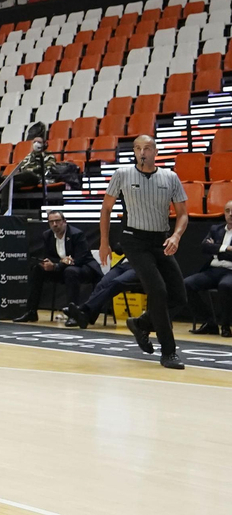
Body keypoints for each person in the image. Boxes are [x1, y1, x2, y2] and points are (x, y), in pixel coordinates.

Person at [98, 134, 190, 369]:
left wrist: (176, 236)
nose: (142, 152)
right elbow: (106, 208)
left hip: (160, 239)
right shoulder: (122, 174)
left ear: (155, 152)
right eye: (138, 148)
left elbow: (183, 214)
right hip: (133, 240)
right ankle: (168, 352)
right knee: (158, 291)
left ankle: (141, 324)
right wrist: (104, 243)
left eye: (147, 148)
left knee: (179, 296)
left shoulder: (170, 177)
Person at [14, 211, 98, 322]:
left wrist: (57, 265)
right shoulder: (47, 235)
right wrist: (51, 264)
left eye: (57, 221)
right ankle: (31, 312)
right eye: (51, 222)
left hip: (83, 269)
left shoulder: (76, 234)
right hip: (62, 268)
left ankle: (74, 315)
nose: (54, 224)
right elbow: (49, 256)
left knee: (71, 271)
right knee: (37, 269)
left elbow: (79, 258)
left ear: (64, 222)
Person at [184, 199, 232, 336]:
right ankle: (209, 322)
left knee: (226, 286)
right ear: (224, 213)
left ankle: (226, 325)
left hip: (230, 271)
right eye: (228, 211)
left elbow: (212, 249)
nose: (231, 214)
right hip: (213, 270)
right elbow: (205, 247)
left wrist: (217, 250)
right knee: (187, 284)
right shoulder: (215, 229)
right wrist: (226, 248)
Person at [61, 255, 142, 328]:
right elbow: (118, 249)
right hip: (124, 264)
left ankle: (84, 309)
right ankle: (86, 317)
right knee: (103, 283)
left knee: (116, 282)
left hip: (140, 266)